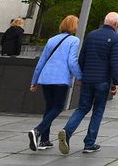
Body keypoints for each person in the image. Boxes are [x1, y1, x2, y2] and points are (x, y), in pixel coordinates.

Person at [58, 11, 118, 155]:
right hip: (102, 81)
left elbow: (82, 58)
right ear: (116, 24)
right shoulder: (115, 38)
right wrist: (115, 83)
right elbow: (115, 63)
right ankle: (89, 143)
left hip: (87, 79)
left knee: (82, 108)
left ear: (105, 21)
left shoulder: (91, 35)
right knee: (98, 111)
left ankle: (67, 131)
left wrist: (80, 77)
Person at [27, 15, 81, 151]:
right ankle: (38, 131)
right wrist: (80, 77)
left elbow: (42, 61)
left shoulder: (52, 40)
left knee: (49, 107)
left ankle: (44, 140)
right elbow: (72, 61)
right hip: (60, 79)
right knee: (58, 107)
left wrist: (34, 80)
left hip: (46, 78)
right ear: (74, 26)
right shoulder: (74, 40)